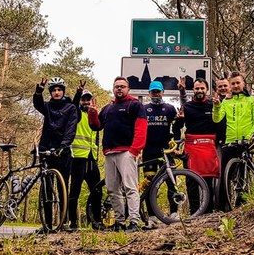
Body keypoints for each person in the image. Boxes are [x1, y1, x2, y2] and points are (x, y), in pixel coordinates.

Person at [88, 76, 147, 233]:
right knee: (112, 189)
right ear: (113, 89)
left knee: (130, 188)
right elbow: (96, 127)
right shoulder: (108, 108)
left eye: (122, 86)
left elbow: (141, 129)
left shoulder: (135, 105)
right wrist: (93, 114)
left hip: (127, 152)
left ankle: (134, 221)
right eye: (116, 86)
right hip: (109, 153)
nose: (119, 89)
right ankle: (119, 222)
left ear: (128, 89)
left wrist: (134, 151)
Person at [33, 76, 78, 234]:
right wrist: (39, 91)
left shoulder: (71, 108)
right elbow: (37, 104)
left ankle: (62, 223)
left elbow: (71, 128)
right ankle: (46, 224)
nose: (57, 92)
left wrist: (63, 146)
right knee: (46, 187)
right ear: (50, 92)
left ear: (63, 91)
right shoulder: (48, 106)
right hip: (46, 149)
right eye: (53, 90)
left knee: (62, 187)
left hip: (62, 152)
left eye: (59, 90)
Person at [213, 71, 254, 208]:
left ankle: (244, 201)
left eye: (237, 83)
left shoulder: (252, 100)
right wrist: (217, 106)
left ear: (243, 84)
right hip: (230, 141)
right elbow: (216, 119)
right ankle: (223, 208)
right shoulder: (226, 102)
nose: (235, 86)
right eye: (233, 83)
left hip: (247, 141)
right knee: (225, 176)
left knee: (243, 174)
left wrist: (249, 137)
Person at [174, 78, 219, 214]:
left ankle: (209, 211)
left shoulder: (213, 105)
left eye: (202, 88)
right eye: (197, 88)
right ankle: (194, 213)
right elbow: (177, 128)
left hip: (209, 146)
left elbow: (220, 123)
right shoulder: (186, 107)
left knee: (209, 180)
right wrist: (179, 121)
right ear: (193, 90)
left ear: (206, 90)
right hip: (191, 147)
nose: (199, 91)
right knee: (192, 181)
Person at [141, 81, 179, 229]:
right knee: (149, 184)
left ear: (163, 92)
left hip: (166, 151)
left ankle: (174, 213)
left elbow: (176, 128)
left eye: (158, 91)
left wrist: (175, 144)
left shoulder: (169, 109)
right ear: (149, 93)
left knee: (171, 182)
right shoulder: (144, 109)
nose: (156, 94)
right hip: (149, 151)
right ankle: (151, 217)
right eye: (153, 92)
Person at [67, 84, 102, 232]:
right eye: (84, 100)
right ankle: (72, 222)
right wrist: (78, 93)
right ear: (80, 101)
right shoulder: (76, 114)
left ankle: (96, 221)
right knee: (75, 191)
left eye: (88, 99)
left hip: (92, 158)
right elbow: (73, 105)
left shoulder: (95, 116)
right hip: (77, 158)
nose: (86, 102)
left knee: (97, 191)